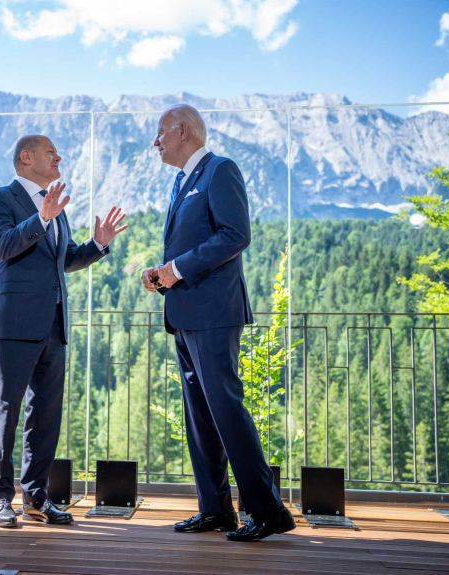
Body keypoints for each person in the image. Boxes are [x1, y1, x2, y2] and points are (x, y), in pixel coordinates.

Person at [141, 105, 295, 542]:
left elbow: (234, 234)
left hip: (213, 313)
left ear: (183, 131)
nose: (156, 141)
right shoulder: (181, 181)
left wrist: (179, 268)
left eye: (160, 132)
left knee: (226, 409)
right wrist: (162, 272)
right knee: (200, 416)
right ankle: (215, 510)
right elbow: (190, 245)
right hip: (186, 313)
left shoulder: (220, 170)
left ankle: (268, 512)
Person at [0, 134, 127, 528]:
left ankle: (36, 496)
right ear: (27, 157)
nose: (59, 157)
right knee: (6, 409)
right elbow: (4, 246)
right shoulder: (0, 198)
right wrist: (42, 217)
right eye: (51, 152)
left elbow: (61, 261)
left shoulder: (54, 205)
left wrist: (97, 244)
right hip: (14, 322)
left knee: (45, 414)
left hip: (54, 324)